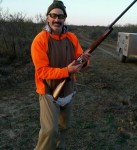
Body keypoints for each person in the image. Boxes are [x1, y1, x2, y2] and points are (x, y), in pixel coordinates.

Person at [31, 0, 91, 149]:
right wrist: (66, 71)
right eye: (53, 15)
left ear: (64, 18)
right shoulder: (40, 40)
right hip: (49, 93)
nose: (57, 19)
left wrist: (84, 61)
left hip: (68, 91)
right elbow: (42, 71)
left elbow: (79, 61)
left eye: (60, 16)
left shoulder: (72, 37)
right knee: (50, 132)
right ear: (47, 17)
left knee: (63, 128)